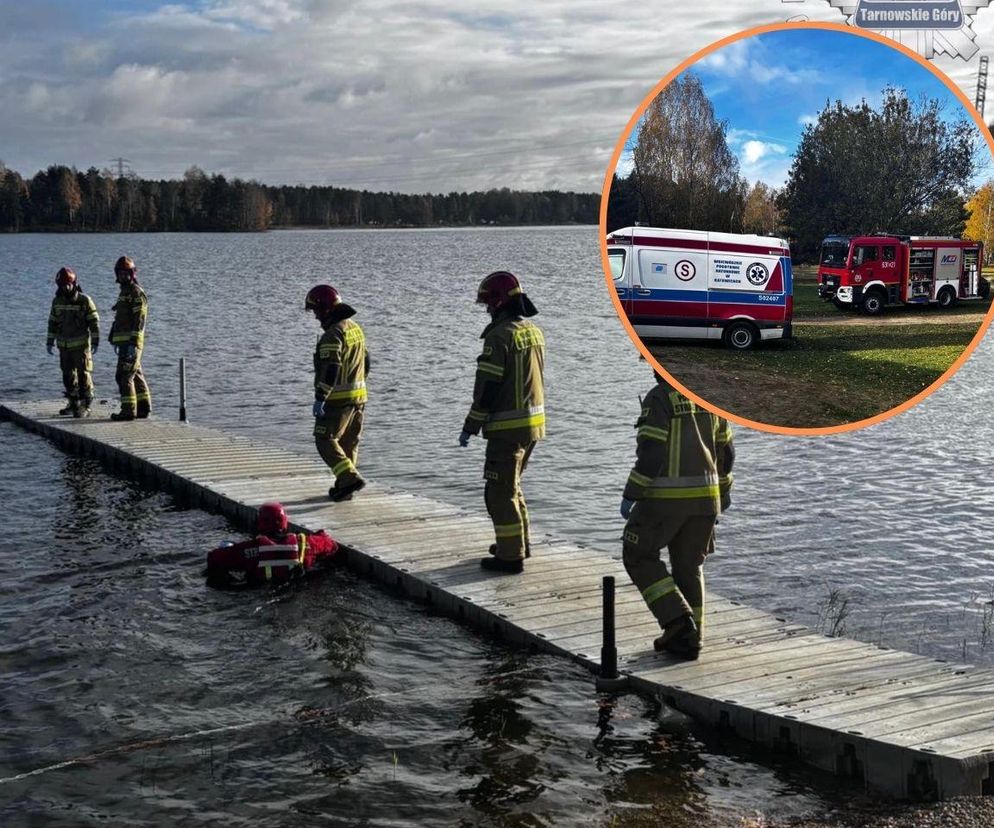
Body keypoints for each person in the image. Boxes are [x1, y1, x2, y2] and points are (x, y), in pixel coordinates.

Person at [620, 370, 734, 660]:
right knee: (689, 567)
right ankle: (691, 641)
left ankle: (677, 622)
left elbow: (653, 451)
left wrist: (632, 492)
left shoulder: (660, 398)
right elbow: (727, 450)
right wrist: (723, 491)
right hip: (706, 499)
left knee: (637, 553)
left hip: (665, 499)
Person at [459, 271, 545, 574]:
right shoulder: (532, 330)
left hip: (507, 428)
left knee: (498, 492)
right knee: (513, 487)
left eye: (488, 304)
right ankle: (519, 544)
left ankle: (510, 557)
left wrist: (471, 425)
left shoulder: (499, 336)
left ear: (497, 303)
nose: (486, 310)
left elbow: (489, 387)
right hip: (532, 425)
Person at [305, 284, 370, 501]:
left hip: (337, 400)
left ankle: (349, 478)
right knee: (348, 444)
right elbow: (367, 361)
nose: (315, 317)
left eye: (315, 311)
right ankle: (344, 485)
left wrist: (320, 397)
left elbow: (331, 367)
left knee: (324, 439)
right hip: (359, 397)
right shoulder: (355, 328)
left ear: (324, 309)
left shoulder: (332, 335)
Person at [205, 502, 339, 588]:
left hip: (260, 591)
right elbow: (331, 545)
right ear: (285, 522)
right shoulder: (305, 544)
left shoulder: (248, 549)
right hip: (296, 592)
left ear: (259, 523)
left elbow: (214, 558)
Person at [46, 267, 100, 418]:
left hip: (81, 346)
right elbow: (52, 322)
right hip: (64, 346)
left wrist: (95, 341)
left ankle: (86, 404)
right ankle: (73, 402)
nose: (65, 288)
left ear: (74, 283)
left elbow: (94, 322)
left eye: (67, 284)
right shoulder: (57, 301)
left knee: (84, 374)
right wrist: (49, 341)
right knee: (67, 375)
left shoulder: (84, 300)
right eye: (62, 285)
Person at [109, 256, 152, 421]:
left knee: (123, 376)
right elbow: (121, 317)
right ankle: (143, 407)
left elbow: (139, 320)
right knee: (136, 373)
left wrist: (133, 343)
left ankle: (128, 411)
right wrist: (114, 337)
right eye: (120, 274)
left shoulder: (135, 292)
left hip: (131, 343)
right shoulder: (124, 292)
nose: (123, 277)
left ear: (132, 274)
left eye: (126, 274)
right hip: (124, 342)